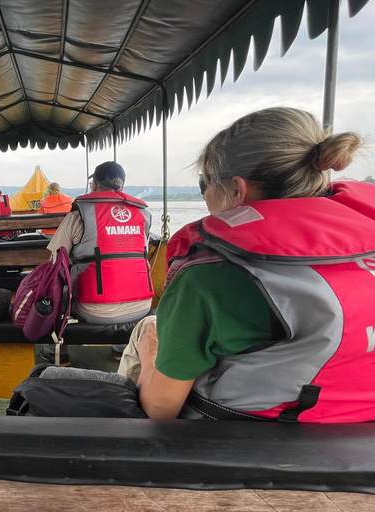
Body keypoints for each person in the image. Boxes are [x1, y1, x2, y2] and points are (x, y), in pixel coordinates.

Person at [119, 107, 375, 423]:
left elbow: (160, 410)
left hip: (239, 446)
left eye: (205, 183)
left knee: (147, 330)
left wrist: (149, 360)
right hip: (355, 442)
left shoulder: (208, 275)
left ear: (238, 190)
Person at [42, 162, 153, 365]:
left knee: (57, 286)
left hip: (94, 309)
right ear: (122, 187)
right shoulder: (144, 214)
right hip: (142, 306)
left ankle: (56, 350)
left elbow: (55, 263)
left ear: (94, 185)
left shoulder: (79, 216)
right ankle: (121, 347)